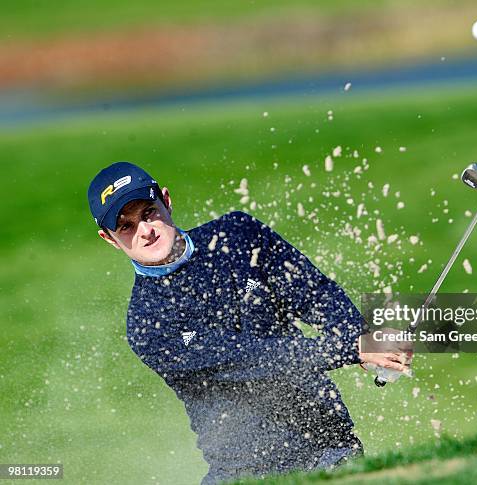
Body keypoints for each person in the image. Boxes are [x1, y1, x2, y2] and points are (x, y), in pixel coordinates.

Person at [87, 161, 410, 484]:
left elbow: (314, 293)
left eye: (148, 212)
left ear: (167, 201)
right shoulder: (148, 325)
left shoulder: (238, 233)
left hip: (329, 451)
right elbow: (253, 358)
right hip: (243, 474)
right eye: (126, 227)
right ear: (110, 239)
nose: (146, 231)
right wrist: (349, 349)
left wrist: (362, 338)